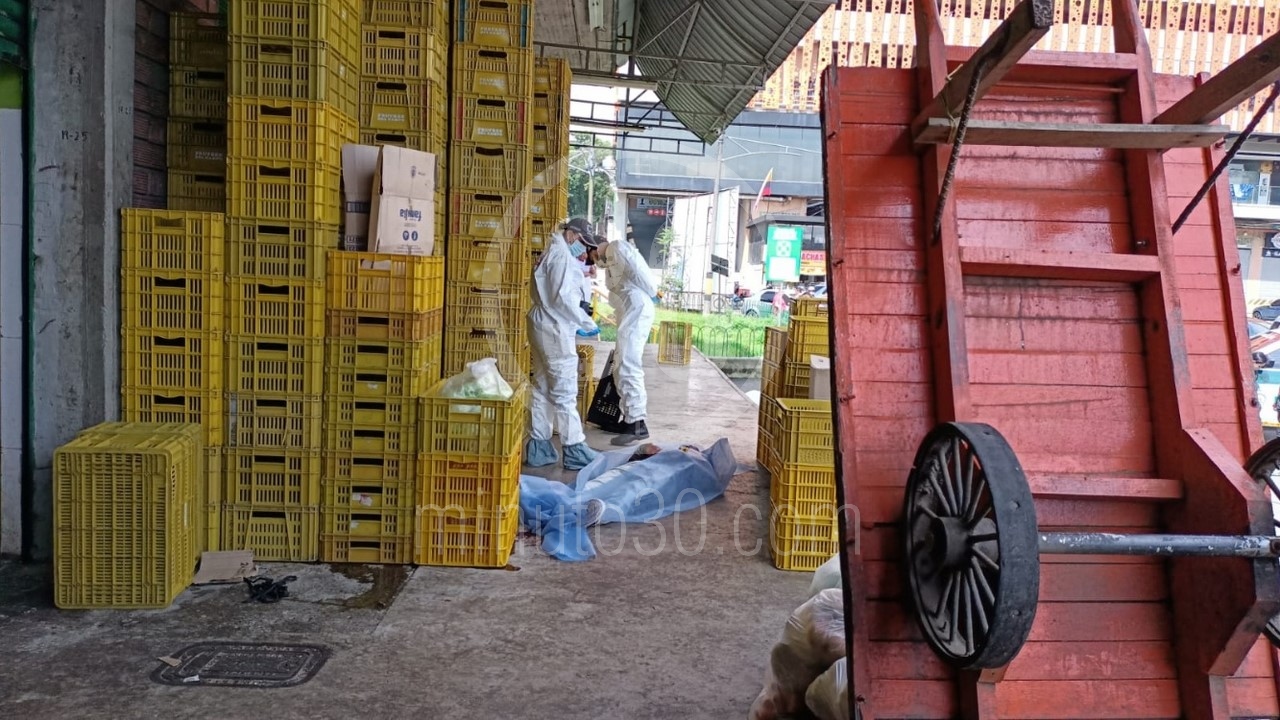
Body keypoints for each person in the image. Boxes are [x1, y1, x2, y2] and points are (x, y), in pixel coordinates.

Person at [525, 219, 602, 471]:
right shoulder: (560, 256)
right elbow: (562, 298)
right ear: (571, 234)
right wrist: (586, 322)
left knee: (543, 386)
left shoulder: (555, 250)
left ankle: (539, 446)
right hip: (554, 326)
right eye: (582, 242)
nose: (583, 249)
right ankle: (574, 447)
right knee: (565, 390)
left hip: (544, 322)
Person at [581, 230, 657, 446]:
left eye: (590, 254)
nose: (592, 260)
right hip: (630, 311)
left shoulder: (618, 248)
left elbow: (647, 283)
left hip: (637, 309)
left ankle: (637, 423)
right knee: (620, 365)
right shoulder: (610, 261)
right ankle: (630, 418)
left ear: (594, 246)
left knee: (627, 363)